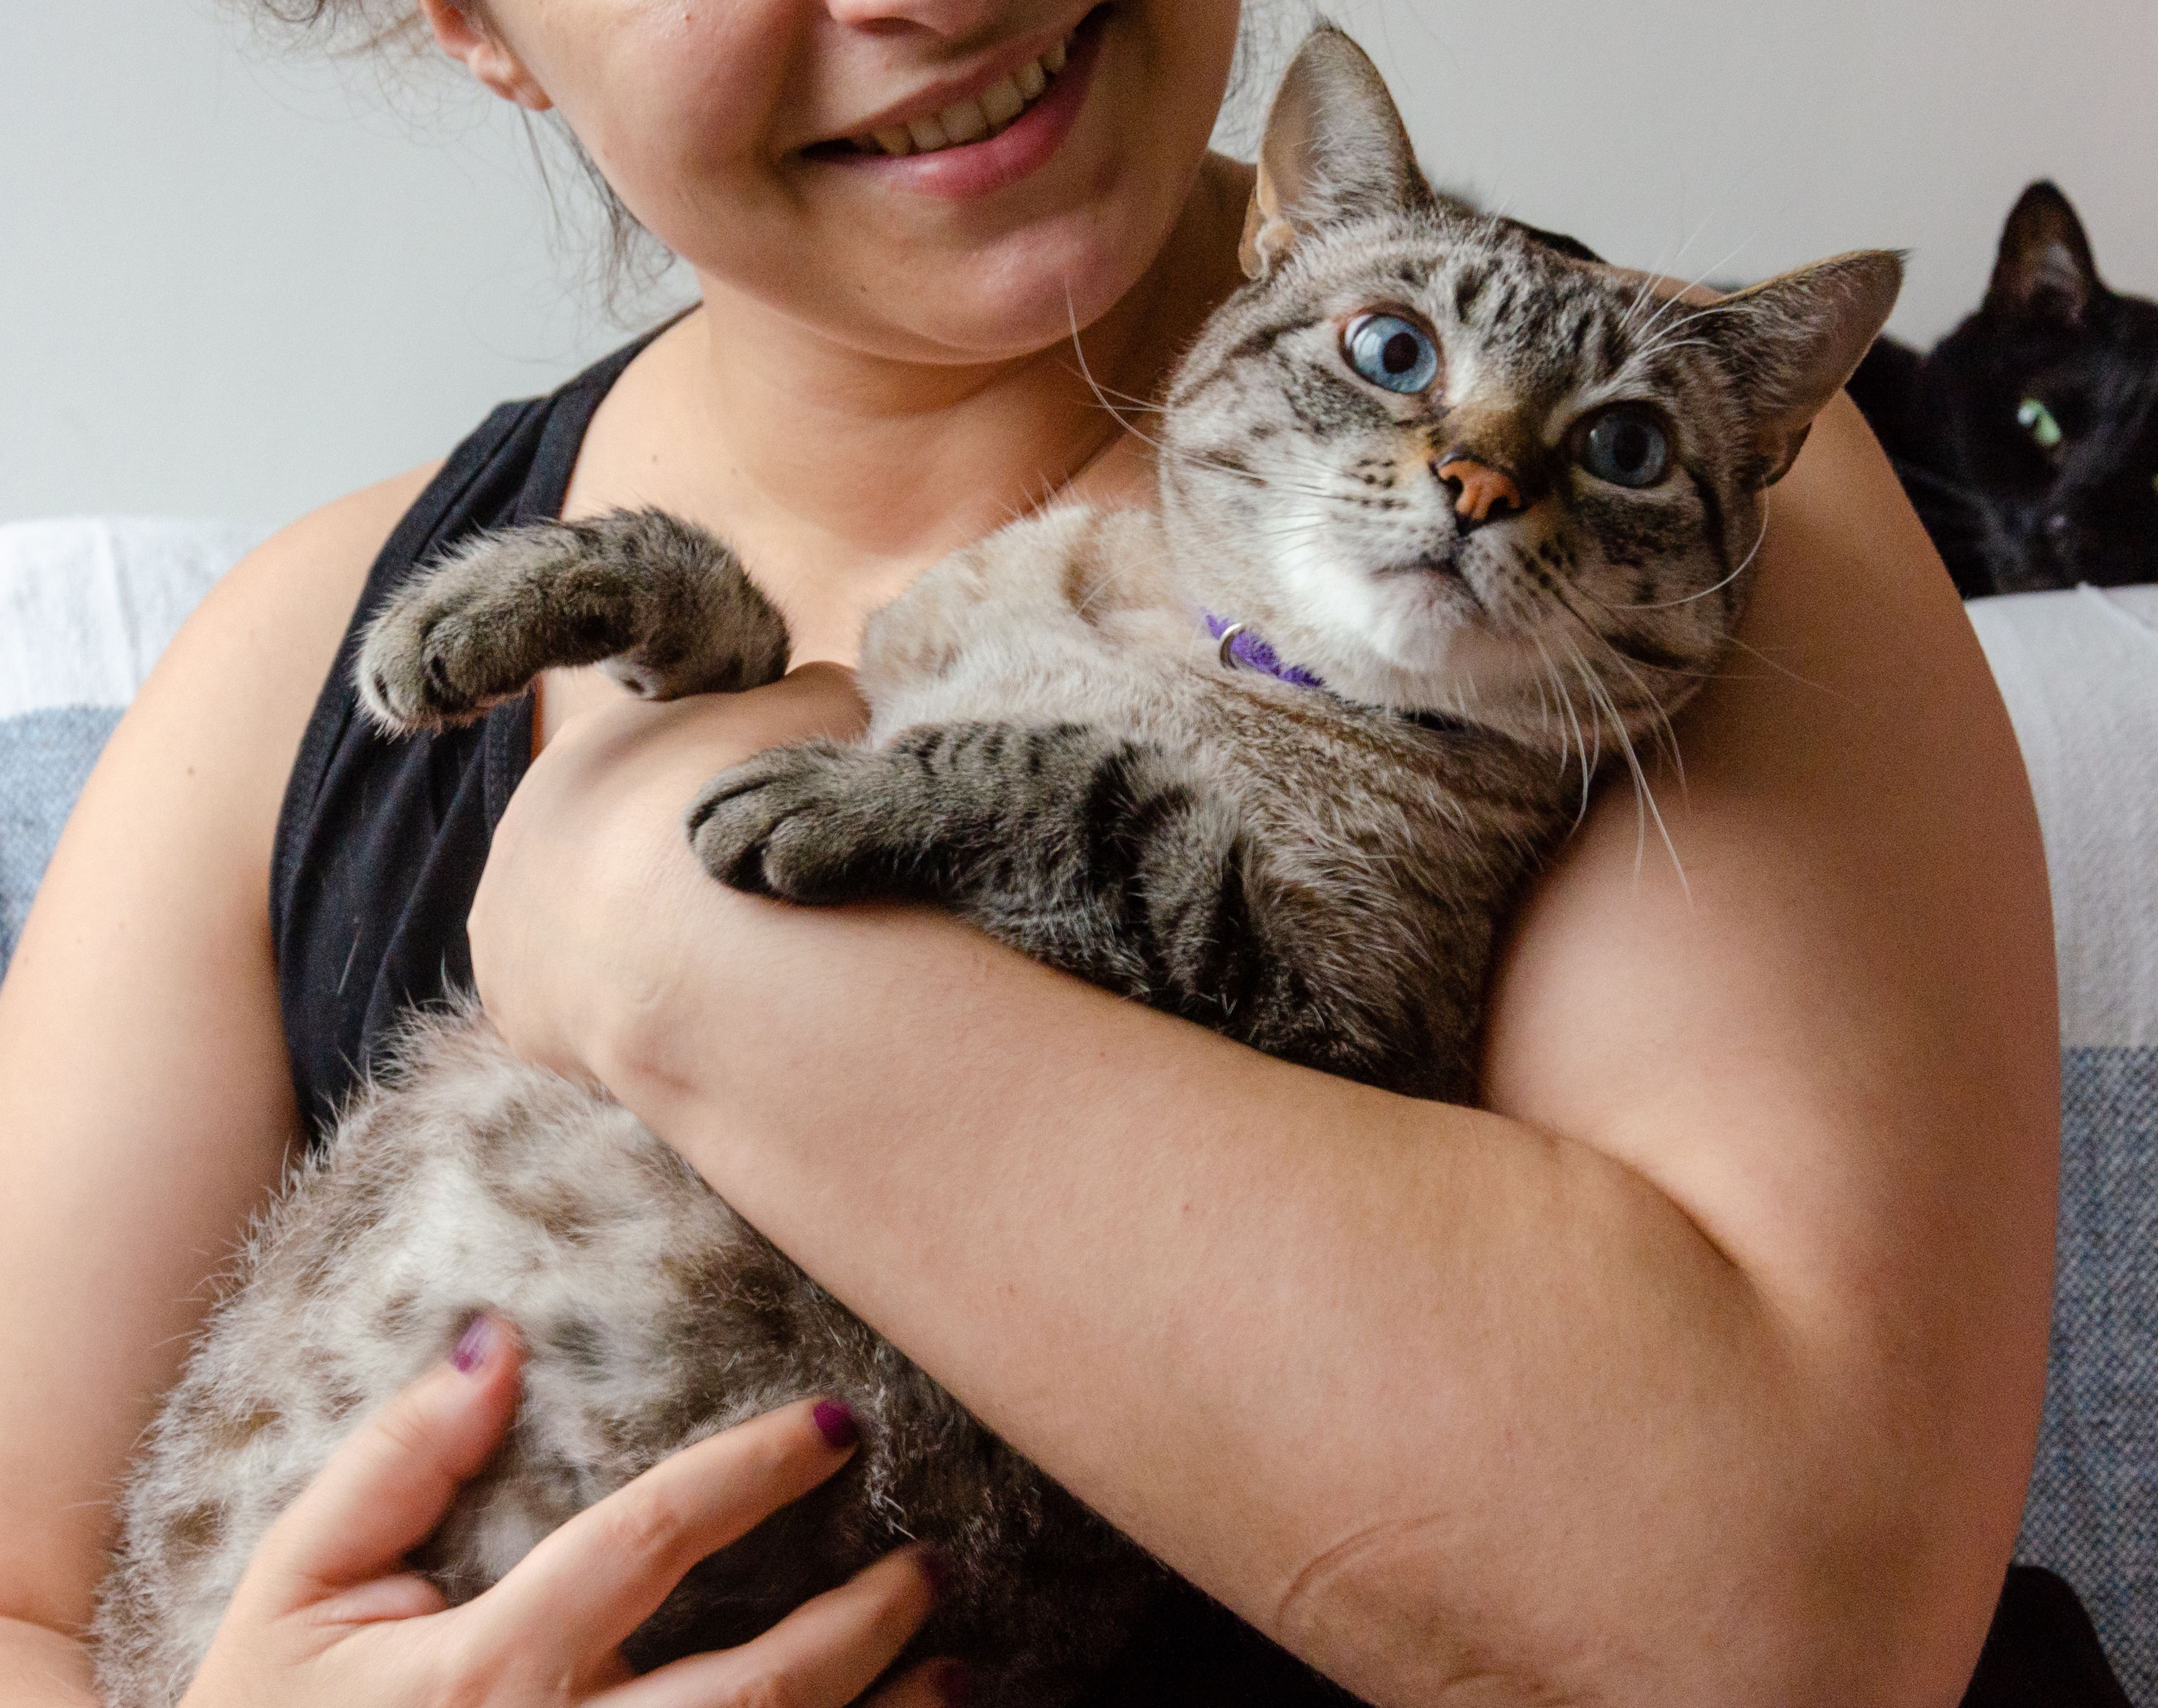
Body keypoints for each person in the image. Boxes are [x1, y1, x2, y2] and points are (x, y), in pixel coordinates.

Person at [0, 1, 2060, 1705]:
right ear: (480, 24)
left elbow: (1781, 1640)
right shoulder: (286, 656)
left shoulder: (1670, 521)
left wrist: (665, 945)